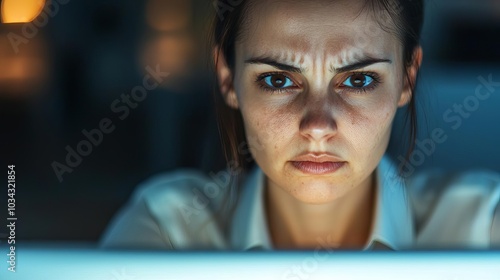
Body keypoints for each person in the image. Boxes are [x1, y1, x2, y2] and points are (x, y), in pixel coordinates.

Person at [99, 0, 500, 250]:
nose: (318, 126)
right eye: (278, 80)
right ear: (227, 77)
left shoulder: (480, 228)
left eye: (358, 80)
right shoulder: (168, 230)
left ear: (407, 79)